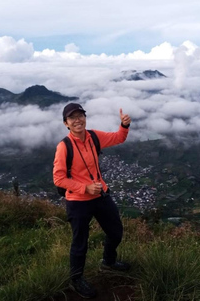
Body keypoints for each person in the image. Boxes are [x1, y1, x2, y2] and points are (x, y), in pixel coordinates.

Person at [53, 102, 132, 299]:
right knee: (80, 242)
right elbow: (59, 178)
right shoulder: (64, 147)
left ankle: (108, 261)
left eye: (80, 115)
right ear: (66, 124)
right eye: (72, 118)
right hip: (78, 200)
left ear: (85, 118)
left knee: (115, 231)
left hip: (100, 194)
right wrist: (84, 188)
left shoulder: (93, 137)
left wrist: (124, 125)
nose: (77, 120)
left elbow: (118, 138)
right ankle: (76, 278)